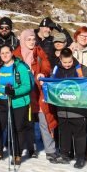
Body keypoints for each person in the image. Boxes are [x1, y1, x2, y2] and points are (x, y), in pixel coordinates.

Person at [50, 48, 87, 168]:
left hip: (78, 108)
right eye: (65, 62)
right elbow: (51, 81)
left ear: (73, 58)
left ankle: (80, 158)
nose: (67, 65)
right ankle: (65, 155)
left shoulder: (80, 68)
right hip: (62, 108)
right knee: (64, 132)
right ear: (60, 59)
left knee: (79, 134)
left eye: (69, 61)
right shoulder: (56, 69)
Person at [20, 29, 58, 160]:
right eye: (28, 39)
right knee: (28, 121)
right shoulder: (17, 54)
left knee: (45, 119)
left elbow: (47, 67)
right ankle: (31, 148)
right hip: (24, 92)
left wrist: (44, 74)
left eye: (33, 39)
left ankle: (50, 150)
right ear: (23, 40)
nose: (32, 42)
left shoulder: (40, 52)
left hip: (39, 90)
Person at [0, 44, 34, 162]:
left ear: (12, 53)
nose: (5, 55)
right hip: (2, 101)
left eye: (7, 52)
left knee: (18, 128)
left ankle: (17, 154)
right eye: (2, 53)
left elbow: (27, 86)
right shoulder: (0, 68)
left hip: (18, 102)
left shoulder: (20, 67)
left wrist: (14, 92)